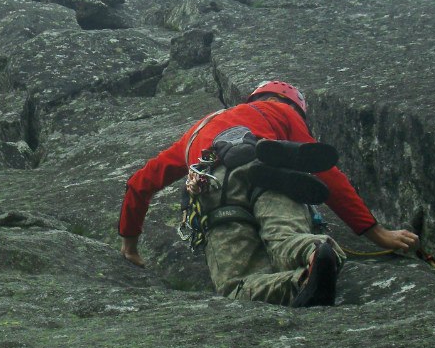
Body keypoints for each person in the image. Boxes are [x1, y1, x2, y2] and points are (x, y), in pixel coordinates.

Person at [118, 80, 419, 307]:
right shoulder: (280, 111)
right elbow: (327, 172)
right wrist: (376, 232)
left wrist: (130, 246)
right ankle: (315, 253)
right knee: (286, 239)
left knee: (236, 286)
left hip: (214, 186)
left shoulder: (193, 134)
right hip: (272, 172)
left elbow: (139, 184)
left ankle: (298, 284)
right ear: (294, 105)